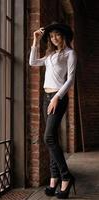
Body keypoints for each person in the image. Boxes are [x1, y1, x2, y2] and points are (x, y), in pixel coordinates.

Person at [29, 21, 77, 199]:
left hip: (58, 97)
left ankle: (66, 177)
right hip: (46, 97)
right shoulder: (50, 55)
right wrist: (35, 40)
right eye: (51, 35)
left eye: (57, 34)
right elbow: (33, 62)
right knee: (52, 138)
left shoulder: (70, 54)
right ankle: (54, 178)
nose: (54, 38)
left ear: (63, 36)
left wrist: (57, 97)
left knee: (48, 137)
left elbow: (70, 79)